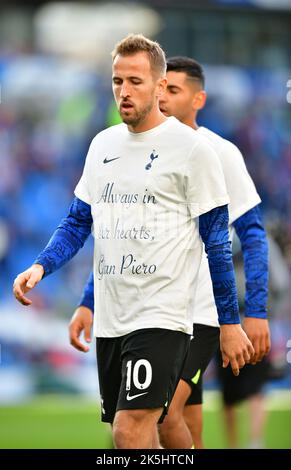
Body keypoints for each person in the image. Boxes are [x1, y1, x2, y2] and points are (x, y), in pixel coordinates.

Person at [13, 36, 254, 449]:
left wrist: (230, 323)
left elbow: (216, 242)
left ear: (160, 87)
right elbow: (78, 222)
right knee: (132, 435)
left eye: (136, 81)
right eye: (117, 81)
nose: (124, 91)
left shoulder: (193, 151)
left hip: (162, 315)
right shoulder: (101, 146)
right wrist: (42, 266)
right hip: (112, 318)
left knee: (130, 432)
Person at [74, 56, 270, 449]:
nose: (163, 97)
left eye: (173, 90)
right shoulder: (134, 150)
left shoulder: (216, 153)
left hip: (199, 313)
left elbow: (252, 233)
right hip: (146, 307)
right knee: (182, 423)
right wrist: (89, 301)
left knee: (157, 418)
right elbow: (123, 237)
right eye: (162, 87)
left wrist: (256, 313)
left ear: (198, 99)